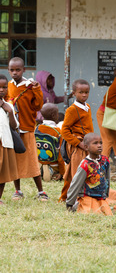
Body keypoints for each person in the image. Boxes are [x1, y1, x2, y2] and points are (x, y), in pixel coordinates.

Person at [6, 57, 48, 201]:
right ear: (8, 70)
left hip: (27, 127)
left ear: (24, 70)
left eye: (18, 70)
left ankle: (41, 191)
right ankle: (17, 190)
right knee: (15, 161)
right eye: (12, 70)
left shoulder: (30, 85)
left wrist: (36, 89)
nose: (15, 73)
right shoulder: (8, 86)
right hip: (13, 129)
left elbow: (38, 106)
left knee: (31, 160)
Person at [60, 79, 94, 202]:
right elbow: (64, 130)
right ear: (74, 93)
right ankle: (67, 197)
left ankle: (83, 195)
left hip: (88, 145)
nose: (84, 95)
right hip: (78, 146)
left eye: (86, 92)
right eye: (81, 92)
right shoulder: (72, 110)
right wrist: (78, 143)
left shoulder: (88, 107)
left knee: (87, 171)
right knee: (75, 172)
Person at [66, 133, 112, 215]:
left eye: (101, 143)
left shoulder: (105, 160)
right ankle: (77, 205)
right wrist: (69, 203)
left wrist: (106, 194)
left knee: (107, 213)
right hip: (87, 196)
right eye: (95, 143)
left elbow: (107, 178)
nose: (99, 145)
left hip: (100, 197)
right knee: (92, 213)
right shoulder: (85, 164)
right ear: (86, 147)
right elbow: (75, 184)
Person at [0, 74, 19, 205]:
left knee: (3, 173)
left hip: (5, 143)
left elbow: (15, 126)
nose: (2, 90)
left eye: (4, 87)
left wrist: (10, 112)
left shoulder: (9, 106)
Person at [36, 103, 65, 181]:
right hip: (53, 165)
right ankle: (53, 172)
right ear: (53, 115)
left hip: (39, 164)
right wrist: (62, 173)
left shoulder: (37, 129)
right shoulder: (57, 132)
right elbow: (61, 155)